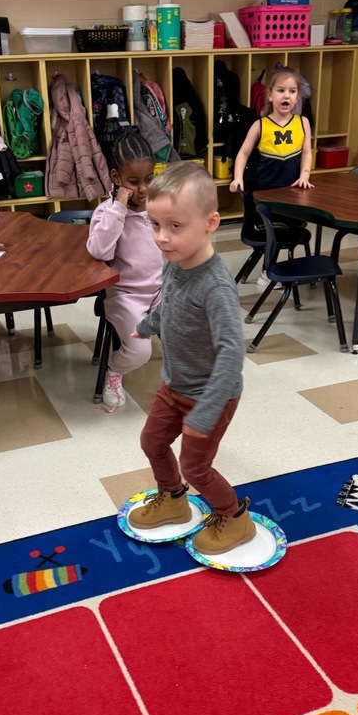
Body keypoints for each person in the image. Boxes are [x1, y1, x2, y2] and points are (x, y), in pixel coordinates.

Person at [128, 161, 253, 556]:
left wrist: (205, 412)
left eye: (175, 226)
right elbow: (171, 306)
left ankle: (234, 517)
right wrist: (148, 326)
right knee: (152, 442)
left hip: (210, 397)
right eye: (155, 225)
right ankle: (174, 499)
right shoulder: (175, 263)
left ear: (210, 222)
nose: (162, 238)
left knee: (197, 467)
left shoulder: (216, 286)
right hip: (175, 385)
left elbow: (232, 353)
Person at [86, 131, 163, 412]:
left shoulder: (158, 205)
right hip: (126, 295)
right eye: (134, 181)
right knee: (141, 350)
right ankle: (114, 372)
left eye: (149, 179)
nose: (143, 189)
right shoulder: (106, 212)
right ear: (116, 178)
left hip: (161, 291)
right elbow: (100, 252)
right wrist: (119, 207)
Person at [230, 66, 314, 286]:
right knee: (273, 232)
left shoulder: (303, 123)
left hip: (292, 193)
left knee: (293, 228)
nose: (286, 95)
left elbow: (306, 152)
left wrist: (305, 175)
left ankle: (286, 271)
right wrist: (237, 177)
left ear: (297, 96)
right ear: (270, 95)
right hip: (266, 194)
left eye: (292, 91)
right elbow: (243, 153)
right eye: (280, 90)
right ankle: (269, 272)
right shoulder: (260, 125)